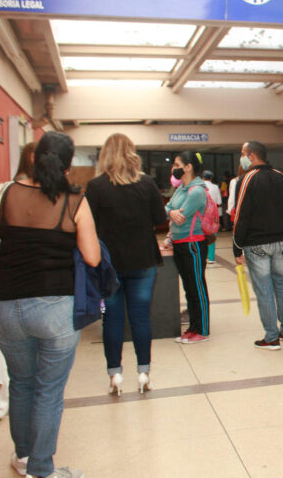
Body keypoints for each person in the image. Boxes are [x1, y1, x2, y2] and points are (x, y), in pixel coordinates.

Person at [0, 131, 100, 478]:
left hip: (6, 306)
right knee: (49, 390)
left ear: (34, 159)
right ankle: (41, 469)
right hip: (55, 307)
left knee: (20, 383)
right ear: (68, 167)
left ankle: (22, 457)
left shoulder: (2, 195)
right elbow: (92, 257)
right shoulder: (74, 201)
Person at [85, 133, 166, 396]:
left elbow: (89, 225)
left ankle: (115, 375)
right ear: (132, 154)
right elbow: (159, 217)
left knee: (112, 320)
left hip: (108, 266)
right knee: (141, 318)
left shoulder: (96, 187)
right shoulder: (147, 183)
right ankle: (143, 373)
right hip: (143, 261)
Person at [233, 141, 283, 351]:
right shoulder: (282, 177)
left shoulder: (247, 179)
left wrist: (237, 246)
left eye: (242, 154)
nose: (240, 157)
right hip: (281, 241)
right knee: (281, 285)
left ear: (251, 156)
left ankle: (271, 337)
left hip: (257, 244)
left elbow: (241, 215)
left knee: (264, 289)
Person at [166, 151, 210, 344]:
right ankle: (192, 327)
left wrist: (172, 212)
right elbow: (168, 208)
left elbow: (181, 215)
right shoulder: (181, 189)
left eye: (177, 163)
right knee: (188, 288)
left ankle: (202, 329)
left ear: (188, 167)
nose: (173, 168)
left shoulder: (197, 191)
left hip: (193, 244)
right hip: (179, 243)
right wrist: (171, 212)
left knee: (197, 287)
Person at [202, 170, 223, 263]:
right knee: (212, 235)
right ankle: (211, 258)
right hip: (213, 215)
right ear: (211, 178)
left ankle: (203, 255)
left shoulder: (199, 187)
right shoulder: (215, 187)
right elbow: (219, 202)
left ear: (202, 177)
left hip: (202, 215)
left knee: (201, 236)